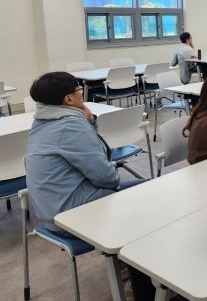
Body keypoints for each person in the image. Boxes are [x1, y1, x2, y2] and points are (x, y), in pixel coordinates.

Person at [26, 72, 154, 300]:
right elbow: (107, 177)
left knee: (141, 192)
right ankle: (143, 284)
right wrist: (87, 123)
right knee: (147, 198)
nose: (82, 94)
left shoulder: (41, 122)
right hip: (71, 217)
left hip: (48, 213)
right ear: (68, 99)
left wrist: (89, 121)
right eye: (78, 90)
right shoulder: (71, 125)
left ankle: (130, 265)